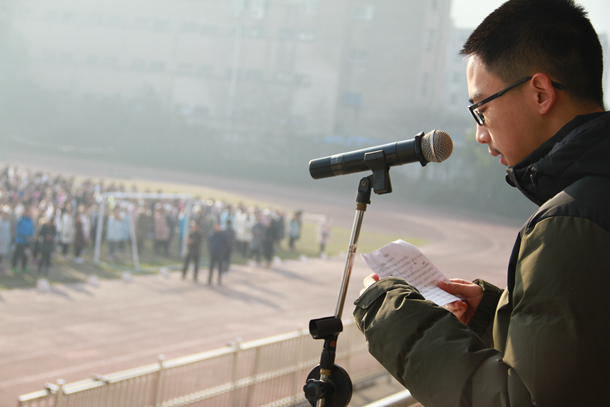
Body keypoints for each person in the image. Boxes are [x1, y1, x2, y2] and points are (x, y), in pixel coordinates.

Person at [354, 1, 610, 406]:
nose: (480, 134)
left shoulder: (569, 222)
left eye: (481, 108)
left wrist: (393, 317)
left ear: (540, 93)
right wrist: (496, 314)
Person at [12, 207, 35, 273]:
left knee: (26, 254)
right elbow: (18, 229)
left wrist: (30, 235)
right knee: (17, 254)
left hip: (27, 242)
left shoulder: (30, 220)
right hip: (20, 241)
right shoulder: (20, 220)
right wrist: (25, 236)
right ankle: (14, 267)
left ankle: (24, 266)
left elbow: (31, 229)